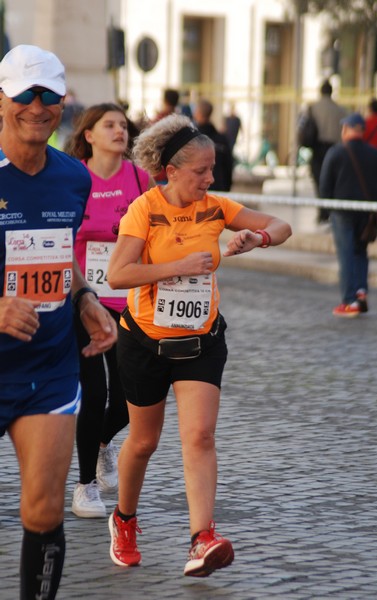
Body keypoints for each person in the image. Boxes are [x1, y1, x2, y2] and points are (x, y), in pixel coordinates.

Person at [105, 113, 292, 577]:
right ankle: (124, 519)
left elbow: (282, 224)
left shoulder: (216, 206)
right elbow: (118, 274)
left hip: (201, 341)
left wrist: (259, 236)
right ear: (171, 171)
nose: (210, 179)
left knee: (200, 436)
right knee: (144, 442)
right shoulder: (144, 210)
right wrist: (179, 266)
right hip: (144, 342)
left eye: (212, 170)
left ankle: (201, 537)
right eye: (201, 171)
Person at [0, 44, 117, 599]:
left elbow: (60, 256)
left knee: (45, 509)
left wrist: (86, 299)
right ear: (2, 99)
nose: (38, 106)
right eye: (25, 94)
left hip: (47, 364)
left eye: (49, 94)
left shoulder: (74, 178)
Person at [66, 103, 153, 518]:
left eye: (123, 125)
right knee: (94, 392)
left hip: (130, 301)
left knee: (125, 401)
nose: (120, 131)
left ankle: (102, 444)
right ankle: (84, 487)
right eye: (110, 125)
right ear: (89, 134)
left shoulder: (139, 179)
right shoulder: (72, 177)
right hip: (84, 302)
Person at [319, 113, 377, 317]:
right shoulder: (375, 153)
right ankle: (361, 292)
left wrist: (325, 210)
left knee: (346, 254)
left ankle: (349, 301)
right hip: (367, 212)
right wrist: (375, 207)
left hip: (342, 212)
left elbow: (325, 185)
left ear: (347, 129)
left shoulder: (336, 152)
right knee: (361, 252)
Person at [309, 79, 347, 223]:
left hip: (317, 148)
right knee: (333, 180)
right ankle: (331, 210)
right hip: (335, 148)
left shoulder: (312, 107)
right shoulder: (340, 109)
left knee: (319, 180)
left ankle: (322, 211)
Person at [193, 98, 233, 191]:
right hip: (220, 188)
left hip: (198, 189)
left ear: (198, 113)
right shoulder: (221, 139)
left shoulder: (192, 139)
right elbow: (229, 165)